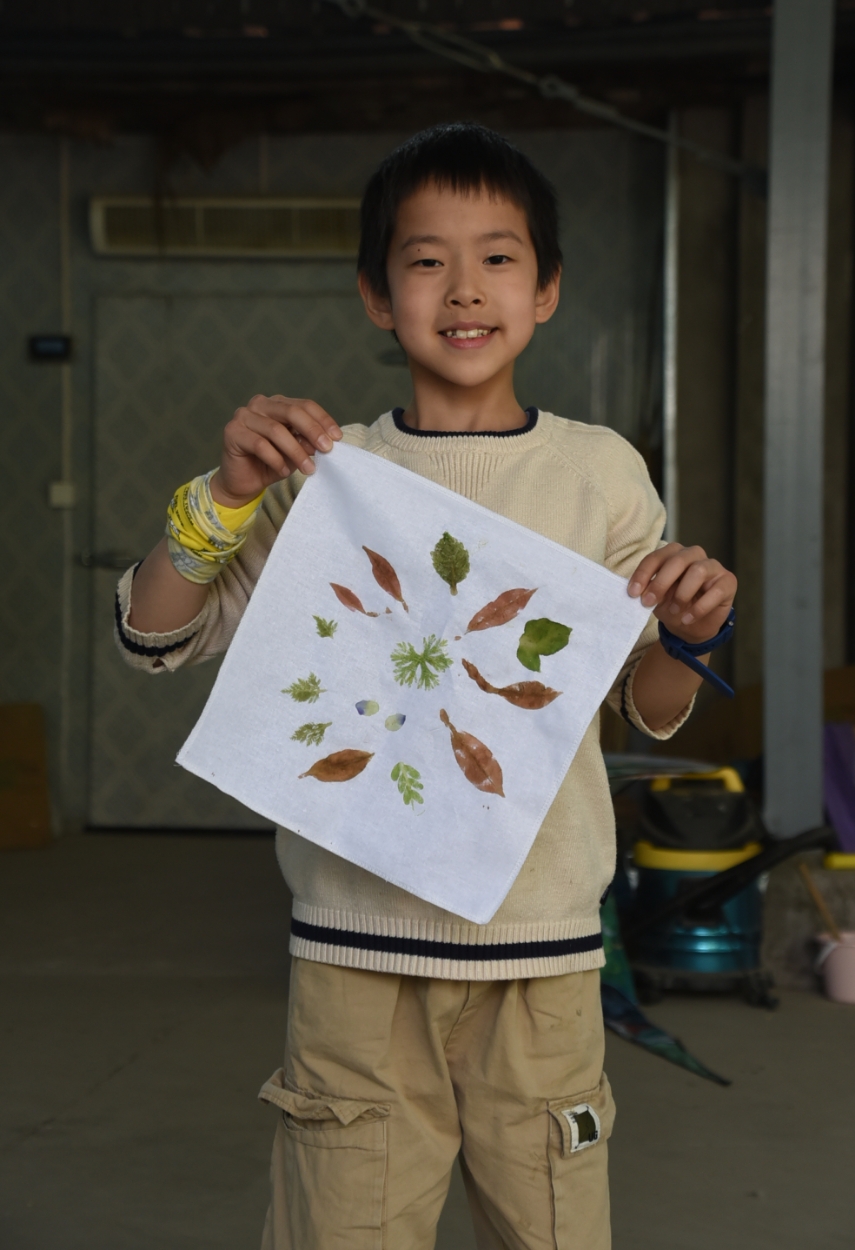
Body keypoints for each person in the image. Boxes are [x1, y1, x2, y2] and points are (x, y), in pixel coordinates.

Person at [116, 124, 737, 1250]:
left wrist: (688, 634)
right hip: (354, 948)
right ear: (375, 294)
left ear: (546, 289)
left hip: (542, 950)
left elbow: (641, 706)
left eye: (497, 256)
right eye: (424, 260)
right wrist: (223, 493)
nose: (463, 288)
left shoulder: (600, 472)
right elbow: (155, 635)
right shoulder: (323, 477)